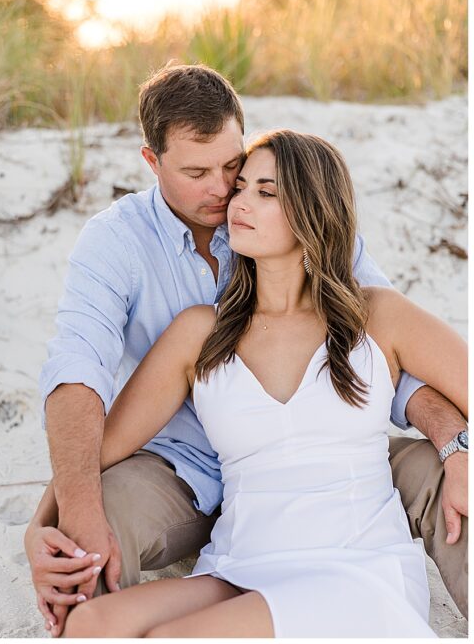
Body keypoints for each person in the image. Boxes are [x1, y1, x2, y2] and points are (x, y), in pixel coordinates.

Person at [26, 65, 468, 634]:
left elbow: (399, 369)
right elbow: (84, 398)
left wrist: (457, 444)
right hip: (207, 501)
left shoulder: (369, 303)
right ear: (151, 161)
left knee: (452, 478)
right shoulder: (182, 312)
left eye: (241, 176)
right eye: (200, 173)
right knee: (89, 602)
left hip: (346, 528)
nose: (226, 194)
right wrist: (45, 522)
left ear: (311, 216)